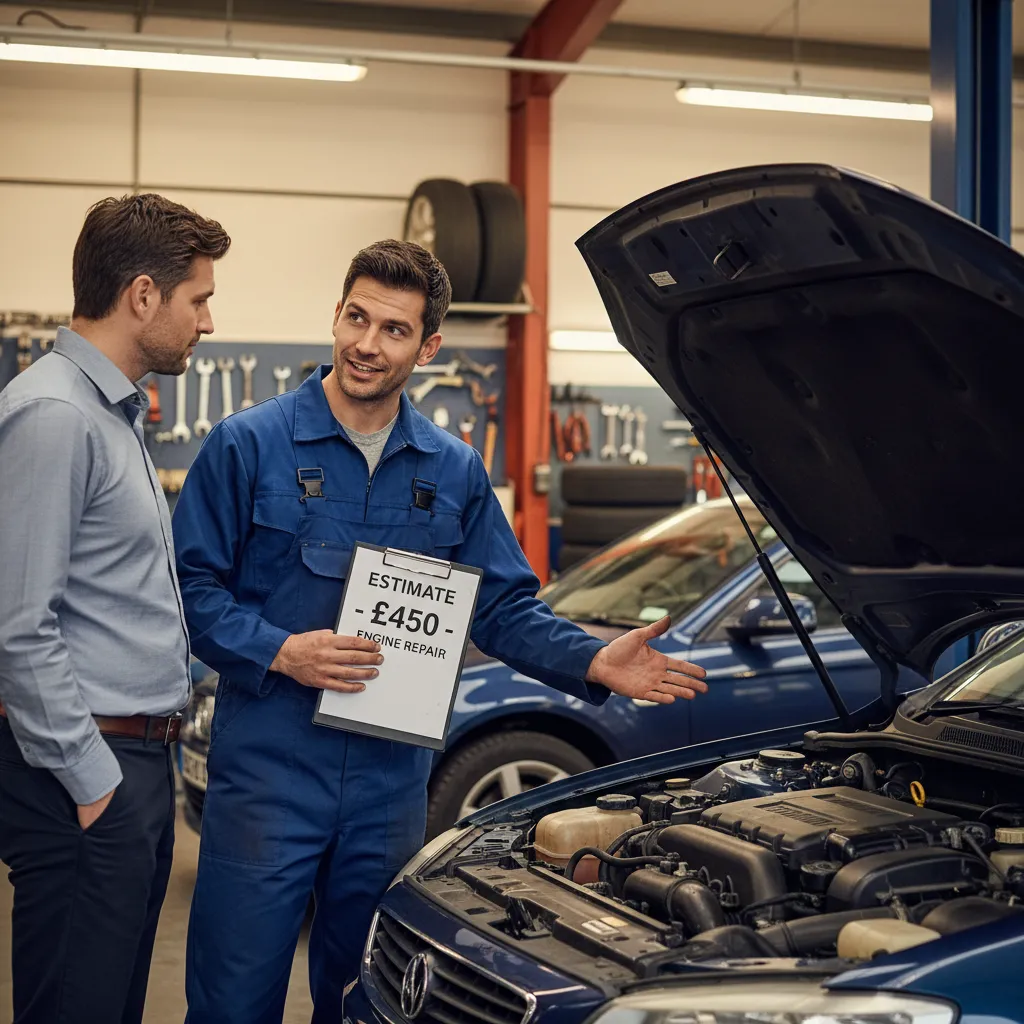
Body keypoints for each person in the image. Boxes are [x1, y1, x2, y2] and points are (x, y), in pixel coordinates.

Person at [171, 239, 708, 1024]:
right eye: (357, 318)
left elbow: (501, 609)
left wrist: (594, 660)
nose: (365, 343)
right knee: (233, 999)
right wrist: (281, 649)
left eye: (393, 330)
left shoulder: (453, 470)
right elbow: (191, 588)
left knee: (371, 996)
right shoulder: (247, 445)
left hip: (389, 787)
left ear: (428, 348)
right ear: (336, 314)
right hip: (268, 779)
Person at [0, 194, 231, 1024]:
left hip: (130, 764)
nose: (208, 320)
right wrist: (94, 785)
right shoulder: (56, 415)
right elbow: (17, 625)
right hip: (83, 772)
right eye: (197, 298)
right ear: (142, 296)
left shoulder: (110, 410)